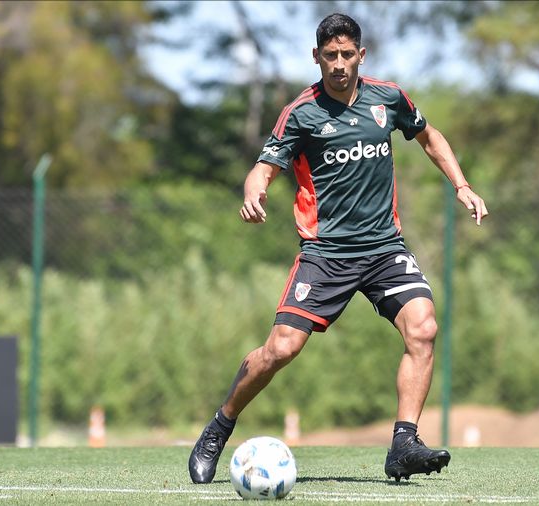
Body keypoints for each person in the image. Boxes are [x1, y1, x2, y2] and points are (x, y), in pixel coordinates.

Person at [188, 12, 488, 484]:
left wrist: (462, 185)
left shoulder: (388, 98)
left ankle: (403, 443)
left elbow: (428, 136)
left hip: (385, 248)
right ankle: (220, 425)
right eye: (331, 55)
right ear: (317, 57)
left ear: (361, 56)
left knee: (423, 327)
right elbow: (264, 167)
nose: (340, 64)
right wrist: (254, 190)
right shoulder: (301, 112)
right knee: (281, 349)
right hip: (326, 254)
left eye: (348, 55)